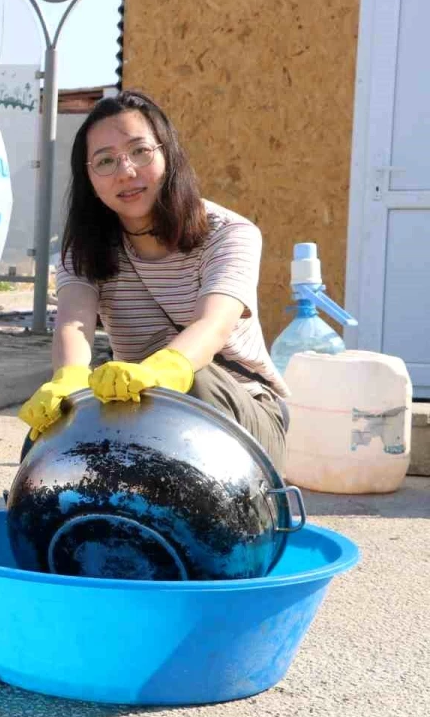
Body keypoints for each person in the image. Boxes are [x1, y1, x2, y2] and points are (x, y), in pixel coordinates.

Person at [18, 90, 290, 473]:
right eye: (105, 161)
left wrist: (160, 373)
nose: (126, 172)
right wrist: (68, 381)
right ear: (89, 178)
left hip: (243, 417)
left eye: (140, 152)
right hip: (145, 413)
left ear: (168, 154)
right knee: (51, 428)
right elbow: (73, 323)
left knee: (195, 383)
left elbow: (211, 326)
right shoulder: (82, 248)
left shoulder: (231, 233)